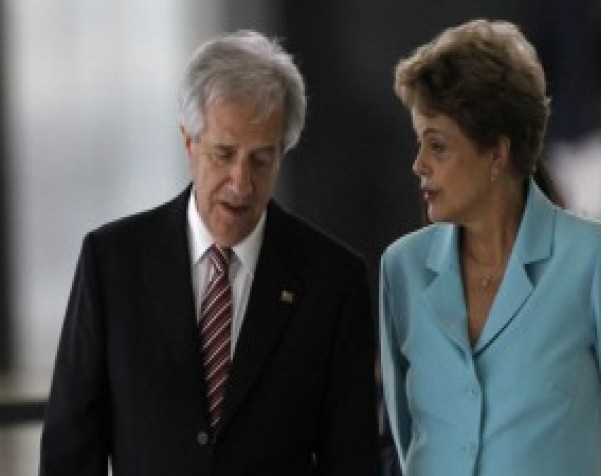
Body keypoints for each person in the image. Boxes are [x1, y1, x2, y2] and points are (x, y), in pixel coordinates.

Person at [40, 30, 379, 476]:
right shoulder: (112, 264)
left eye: (261, 159)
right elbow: (70, 450)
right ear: (189, 142)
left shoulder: (332, 281)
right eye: (224, 153)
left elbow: (352, 461)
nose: (241, 183)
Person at [379, 19, 601, 476]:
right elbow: (405, 440)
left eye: (437, 146)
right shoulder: (402, 268)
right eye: (419, 143)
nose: (418, 164)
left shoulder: (597, 258)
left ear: (497, 153)